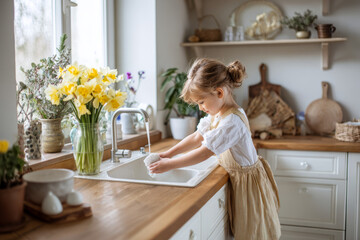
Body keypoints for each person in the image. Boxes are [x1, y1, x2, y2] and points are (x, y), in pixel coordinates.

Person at [149, 58, 281, 240]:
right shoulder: (218, 113)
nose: (201, 108)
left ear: (219, 92)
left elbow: (204, 151)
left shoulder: (231, 122)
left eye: (201, 102)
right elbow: (197, 137)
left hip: (248, 184)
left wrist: (170, 164)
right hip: (239, 178)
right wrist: (168, 153)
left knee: (252, 232)